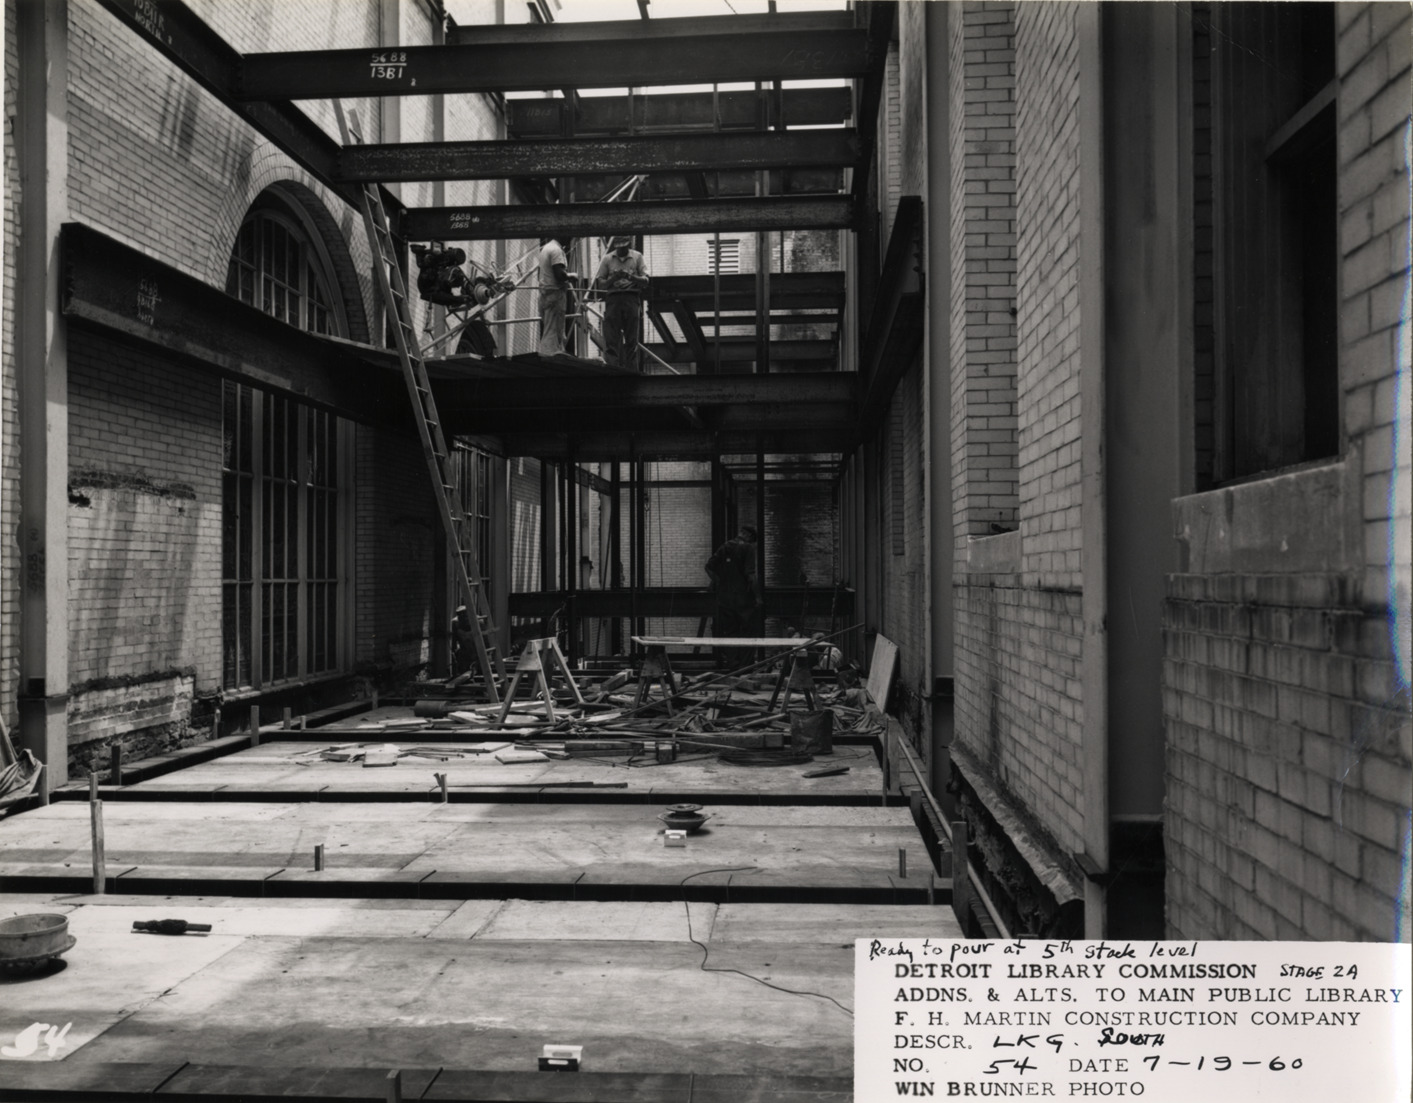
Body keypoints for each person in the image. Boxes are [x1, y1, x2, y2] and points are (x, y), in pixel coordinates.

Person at [705, 525, 762, 669]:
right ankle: (746, 666)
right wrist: (758, 597)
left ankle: (733, 665)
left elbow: (709, 567)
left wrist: (719, 582)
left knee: (730, 631)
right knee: (748, 630)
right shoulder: (748, 548)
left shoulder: (725, 547)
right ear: (749, 536)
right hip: (743, 598)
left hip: (725, 598)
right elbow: (751, 575)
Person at [593, 235, 649, 371]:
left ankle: (632, 373)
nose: (621, 250)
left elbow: (646, 281)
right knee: (611, 340)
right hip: (613, 300)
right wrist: (614, 278)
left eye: (623, 248)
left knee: (632, 341)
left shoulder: (637, 257)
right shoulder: (607, 259)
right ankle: (613, 372)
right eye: (619, 248)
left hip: (631, 298)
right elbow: (601, 284)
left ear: (628, 245)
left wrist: (630, 277)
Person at [537, 236, 576, 358]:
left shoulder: (546, 248)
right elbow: (559, 274)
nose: (570, 239)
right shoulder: (556, 250)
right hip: (555, 294)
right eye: (569, 237)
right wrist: (572, 276)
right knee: (553, 332)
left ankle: (551, 354)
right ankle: (549, 357)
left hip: (545, 294)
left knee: (549, 329)